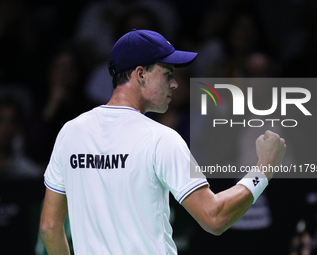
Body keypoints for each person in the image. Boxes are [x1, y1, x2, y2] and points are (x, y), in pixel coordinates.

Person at [39, 29, 286, 254]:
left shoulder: (71, 133)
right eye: (167, 74)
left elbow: (49, 228)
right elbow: (215, 217)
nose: (175, 83)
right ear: (141, 74)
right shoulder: (160, 139)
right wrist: (263, 169)